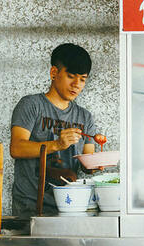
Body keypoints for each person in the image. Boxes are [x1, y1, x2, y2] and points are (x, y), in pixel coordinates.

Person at [10, 43, 96, 217]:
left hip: (70, 205)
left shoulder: (85, 117)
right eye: (71, 76)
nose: (76, 85)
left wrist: (96, 164)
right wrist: (57, 144)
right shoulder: (31, 105)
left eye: (82, 79)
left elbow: (88, 164)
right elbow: (16, 148)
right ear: (54, 73)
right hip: (31, 207)